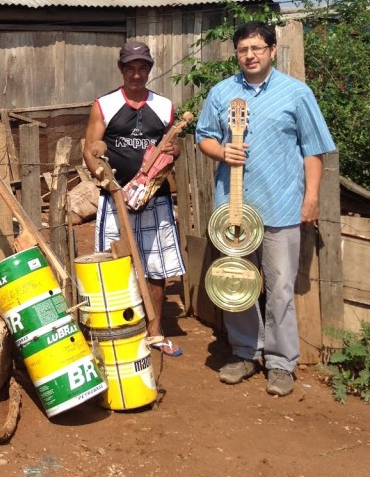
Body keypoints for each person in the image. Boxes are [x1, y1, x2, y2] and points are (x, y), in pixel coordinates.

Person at [195, 21, 335, 397]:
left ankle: (280, 362)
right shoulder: (222, 92)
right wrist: (221, 150)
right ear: (236, 53)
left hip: (283, 204)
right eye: (243, 49)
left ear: (272, 50)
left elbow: (314, 149)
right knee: (236, 283)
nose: (250, 55)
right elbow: (203, 136)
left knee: (280, 287)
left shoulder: (297, 93)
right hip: (234, 208)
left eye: (257, 47)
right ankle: (244, 352)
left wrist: (311, 198)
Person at [82, 40, 186, 356]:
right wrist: (109, 184)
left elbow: (174, 148)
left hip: (155, 198)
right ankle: (115, 331)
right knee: (114, 265)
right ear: (121, 69)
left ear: (149, 70)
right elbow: (90, 148)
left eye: (142, 68)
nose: (136, 75)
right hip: (116, 199)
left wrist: (175, 150)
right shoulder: (104, 105)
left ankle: (154, 332)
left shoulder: (165, 107)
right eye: (130, 68)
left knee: (155, 266)